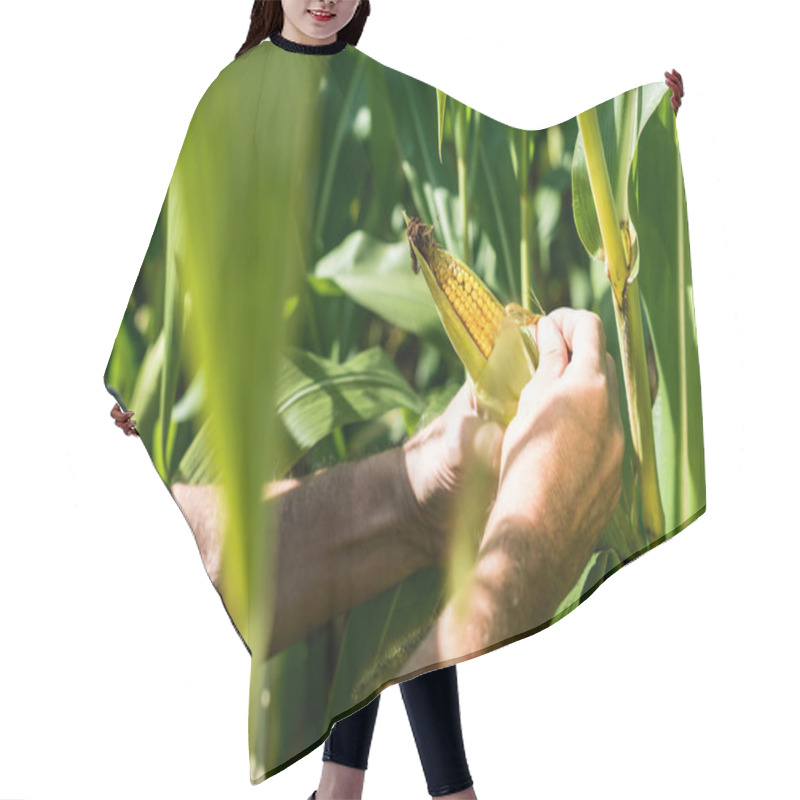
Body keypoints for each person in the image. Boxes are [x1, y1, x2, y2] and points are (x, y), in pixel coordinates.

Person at [110, 4, 685, 798]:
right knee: (388, 566)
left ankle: (350, 786)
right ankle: (429, 788)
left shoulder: (374, 82)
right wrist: (150, 380)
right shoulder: (232, 93)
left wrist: (637, 122)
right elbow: (183, 240)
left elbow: (505, 146)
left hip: (369, 369)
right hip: (286, 373)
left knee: (403, 571)